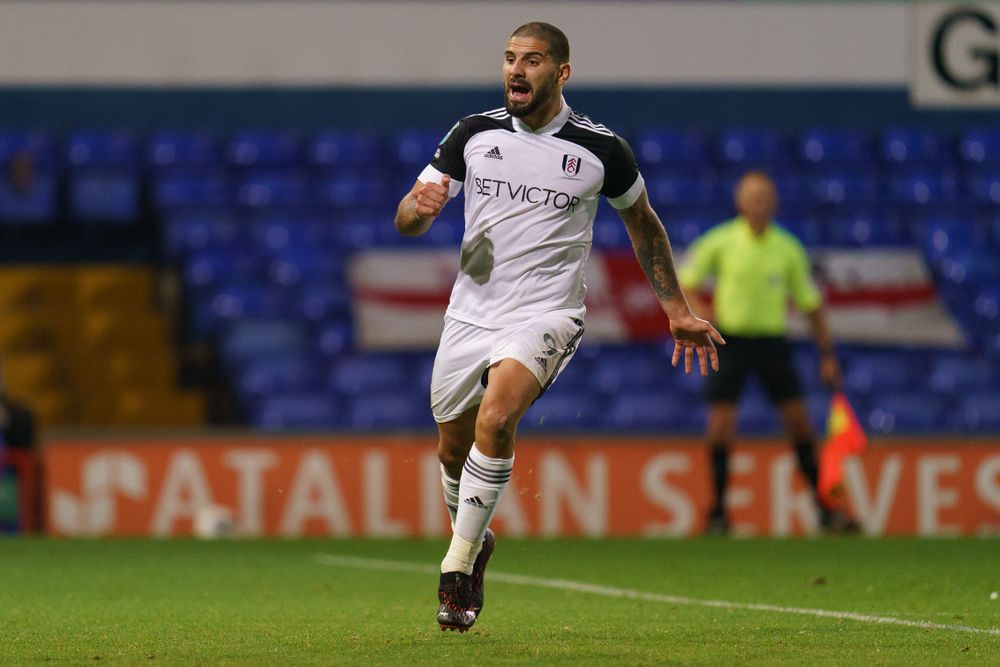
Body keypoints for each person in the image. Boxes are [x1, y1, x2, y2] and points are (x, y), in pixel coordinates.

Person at [395, 22, 725, 632]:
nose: (517, 71)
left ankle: (456, 568)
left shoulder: (601, 150)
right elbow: (407, 216)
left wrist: (675, 309)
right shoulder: (472, 133)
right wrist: (418, 210)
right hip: (470, 312)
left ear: (562, 72)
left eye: (534, 60)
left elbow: (645, 226)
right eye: (510, 59)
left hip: (548, 312)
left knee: (497, 417)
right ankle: (478, 541)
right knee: (450, 445)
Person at [678, 171, 848, 536]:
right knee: (721, 424)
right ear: (740, 202)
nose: (758, 204)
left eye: (764, 198)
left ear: (774, 204)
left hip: (772, 343)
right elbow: (687, 280)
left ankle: (824, 509)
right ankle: (719, 512)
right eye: (752, 197)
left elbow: (811, 304)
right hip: (731, 342)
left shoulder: (787, 248)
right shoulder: (721, 241)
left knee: (799, 423)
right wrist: (697, 317)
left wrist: (827, 355)